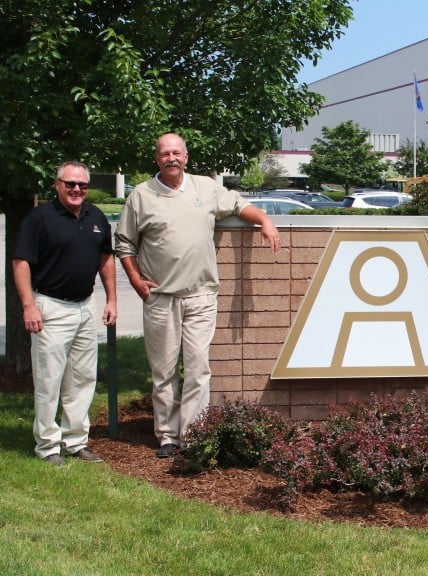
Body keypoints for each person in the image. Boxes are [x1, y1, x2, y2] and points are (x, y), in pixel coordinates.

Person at [115, 132, 281, 458]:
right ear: (157, 158)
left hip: (201, 296)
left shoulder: (204, 187)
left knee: (197, 369)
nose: (171, 158)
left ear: (186, 157)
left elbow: (238, 204)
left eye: (177, 152)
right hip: (161, 298)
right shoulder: (141, 196)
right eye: (165, 153)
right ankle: (166, 436)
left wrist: (264, 220)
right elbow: (125, 243)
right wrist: (135, 279)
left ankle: (192, 437)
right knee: (163, 371)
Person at [12, 161, 117, 467]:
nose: (76, 190)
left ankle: (75, 441)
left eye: (82, 185)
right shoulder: (39, 218)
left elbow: (105, 259)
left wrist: (112, 300)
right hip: (51, 307)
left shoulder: (95, 216)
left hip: (85, 306)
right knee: (49, 379)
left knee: (83, 378)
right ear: (57, 184)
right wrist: (29, 306)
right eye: (70, 184)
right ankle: (47, 446)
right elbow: (21, 263)